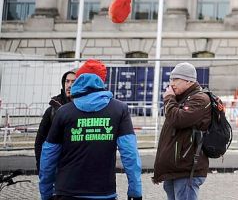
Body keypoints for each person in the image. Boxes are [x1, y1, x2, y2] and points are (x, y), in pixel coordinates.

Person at [38, 58, 142, 200]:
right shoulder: (119, 110)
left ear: (80, 79)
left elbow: (48, 155)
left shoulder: (64, 112)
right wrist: (135, 192)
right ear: (101, 81)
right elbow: (130, 154)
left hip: (67, 191)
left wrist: (46, 193)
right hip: (104, 192)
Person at [152, 62, 211, 200]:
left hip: (187, 170)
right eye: (171, 79)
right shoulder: (181, 99)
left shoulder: (199, 99)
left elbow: (177, 120)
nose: (171, 83)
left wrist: (168, 99)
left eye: (176, 79)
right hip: (176, 169)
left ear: (189, 81)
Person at [34, 69, 75, 171]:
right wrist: (41, 167)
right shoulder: (52, 110)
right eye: (67, 81)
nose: (69, 85)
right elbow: (40, 141)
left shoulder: (85, 109)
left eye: (74, 82)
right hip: (57, 166)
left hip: (77, 167)